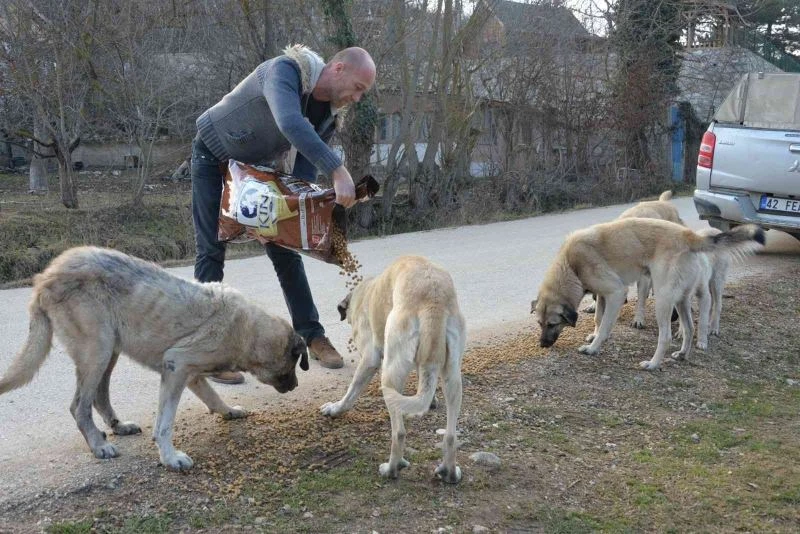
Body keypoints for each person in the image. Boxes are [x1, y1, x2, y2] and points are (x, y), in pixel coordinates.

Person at [191, 45, 376, 384]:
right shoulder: (285, 71)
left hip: (259, 170)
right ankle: (208, 354)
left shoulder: (327, 115)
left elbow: (302, 177)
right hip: (213, 155)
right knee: (211, 248)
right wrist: (338, 169)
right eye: (358, 88)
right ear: (338, 69)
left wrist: (307, 206)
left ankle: (311, 334)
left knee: (285, 247)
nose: (357, 98)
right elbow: (289, 122)